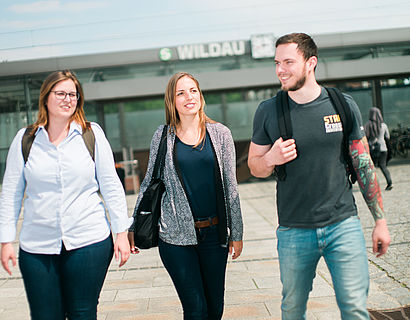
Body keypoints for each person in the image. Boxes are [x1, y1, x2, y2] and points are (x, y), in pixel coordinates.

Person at [247, 33, 390, 320]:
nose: (280, 70)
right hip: (293, 231)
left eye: (288, 62)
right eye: (277, 63)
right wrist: (271, 159)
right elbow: (254, 166)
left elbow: (363, 164)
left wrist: (380, 222)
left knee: (354, 308)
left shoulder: (342, 104)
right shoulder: (268, 111)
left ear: (311, 63)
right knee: (292, 310)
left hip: (343, 225)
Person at [0, 70, 132, 320]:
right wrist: (6, 241)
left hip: (89, 240)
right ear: (45, 98)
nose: (67, 99)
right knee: (45, 315)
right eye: (60, 93)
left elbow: (111, 186)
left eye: (73, 94)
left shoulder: (91, 134)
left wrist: (121, 234)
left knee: (82, 313)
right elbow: (10, 193)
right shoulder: (25, 139)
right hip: (37, 246)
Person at [128, 71, 243, 320]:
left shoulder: (220, 133)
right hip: (175, 238)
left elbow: (231, 187)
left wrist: (238, 233)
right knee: (195, 309)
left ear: (200, 96)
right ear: (172, 101)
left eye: (193, 90)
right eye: (180, 93)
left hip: (215, 235)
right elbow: (149, 181)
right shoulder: (162, 135)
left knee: (215, 308)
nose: (188, 97)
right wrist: (133, 225)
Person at [365, 107, 393, 190]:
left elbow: (365, 137)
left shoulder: (368, 125)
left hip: (372, 149)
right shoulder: (384, 125)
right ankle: (389, 182)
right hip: (383, 148)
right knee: (383, 166)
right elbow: (387, 137)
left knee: (370, 168)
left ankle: (372, 185)